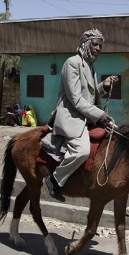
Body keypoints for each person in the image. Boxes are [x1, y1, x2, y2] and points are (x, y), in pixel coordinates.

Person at [40, 29, 118, 202]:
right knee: (82, 151)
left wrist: (103, 86)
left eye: (100, 46)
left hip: (86, 115)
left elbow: (90, 96)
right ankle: (55, 180)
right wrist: (100, 115)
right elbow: (75, 99)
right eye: (95, 44)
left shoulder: (90, 67)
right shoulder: (72, 63)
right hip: (72, 116)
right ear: (85, 44)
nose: (98, 48)